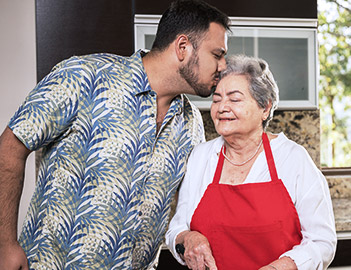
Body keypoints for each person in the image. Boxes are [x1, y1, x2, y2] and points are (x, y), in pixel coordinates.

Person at [0, 0, 230, 269]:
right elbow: (10, 147)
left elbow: (188, 207)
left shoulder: (191, 124)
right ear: (182, 48)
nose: (223, 65)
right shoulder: (85, 77)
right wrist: (6, 244)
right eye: (217, 54)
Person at [165, 55, 337, 270]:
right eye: (217, 99)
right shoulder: (201, 156)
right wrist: (188, 238)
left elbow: (322, 242)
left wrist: (280, 267)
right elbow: (176, 229)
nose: (222, 107)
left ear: (265, 108)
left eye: (234, 99)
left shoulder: (293, 159)